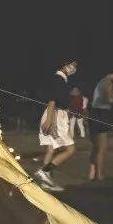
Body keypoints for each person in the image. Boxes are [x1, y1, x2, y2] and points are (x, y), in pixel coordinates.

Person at [34, 61, 77, 192]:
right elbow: (52, 100)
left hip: (56, 115)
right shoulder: (58, 79)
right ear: (64, 64)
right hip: (56, 116)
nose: (74, 68)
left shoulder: (60, 79)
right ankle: (45, 171)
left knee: (51, 149)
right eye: (72, 64)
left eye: (75, 66)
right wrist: (50, 121)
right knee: (70, 149)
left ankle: (46, 183)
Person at [88, 69, 113, 181]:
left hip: (94, 113)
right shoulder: (108, 83)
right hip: (102, 114)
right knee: (102, 148)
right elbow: (110, 100)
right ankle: (99, 175)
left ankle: (92, 173)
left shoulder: (101, 81)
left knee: (95, 147)